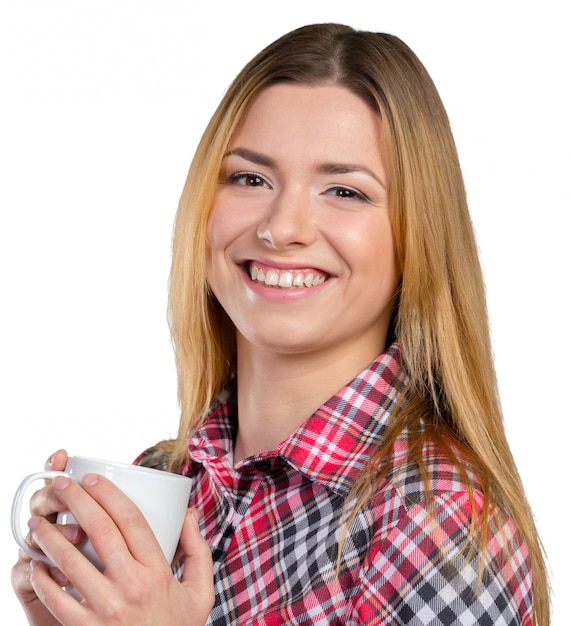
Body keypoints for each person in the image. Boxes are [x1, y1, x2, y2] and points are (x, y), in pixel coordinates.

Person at [11, 23, 550, 625]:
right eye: (250, 178)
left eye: (344, 191)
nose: (282, 227)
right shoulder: (167, 475)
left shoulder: (437, 522)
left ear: (418, 234)